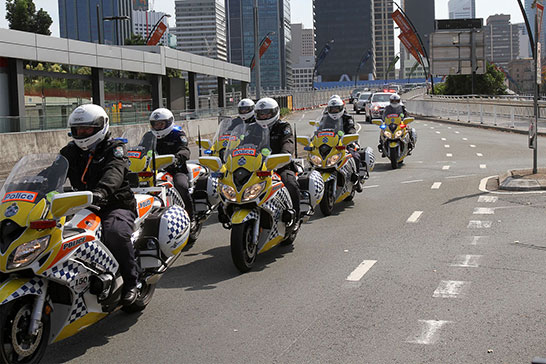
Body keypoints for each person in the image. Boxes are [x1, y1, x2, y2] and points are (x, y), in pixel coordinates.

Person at [60, 104, 139, 305]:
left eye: (87, 129)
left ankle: (132, 282)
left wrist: (101, 191)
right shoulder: (70, 151)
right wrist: (36, 186)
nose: (81, 133)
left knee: (115, 233)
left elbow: (114, 172)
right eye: (78, 130)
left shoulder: (115, 149)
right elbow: (54, 171)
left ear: (100, 127)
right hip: (82, 204)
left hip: (114, 204)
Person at [255, 97, 300, 223]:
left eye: (267, 113)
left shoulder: (283, 126)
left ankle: (294, 218)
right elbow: (241, 144)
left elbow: (288, 142)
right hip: (256, 167)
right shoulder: (252, 128)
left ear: (274, 113)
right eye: (261, 113)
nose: (263, 116)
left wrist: (283, 156)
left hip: (279, 166)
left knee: (289, 182)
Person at [148, 108, 193, 219]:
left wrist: (177, 159)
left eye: (161, 124)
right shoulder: (149, 136)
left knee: (181, 186)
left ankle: (190, 216)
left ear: (169, 122)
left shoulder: (178, 134)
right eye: (155, 124)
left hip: (175, 170)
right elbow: (141, 148)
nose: (158, 127)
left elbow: (185, 150)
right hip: (154, 170)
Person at [325, 97, 365, 192]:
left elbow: (351, 129)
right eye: (332, 109)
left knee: (355, 156)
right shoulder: (325, 119)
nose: (334, 111)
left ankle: (357, 180)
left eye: (336, 109)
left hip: (345, 144)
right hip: (330, 145)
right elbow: (319, 129)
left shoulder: (347, 118)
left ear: (341, 108)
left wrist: (349, 137)